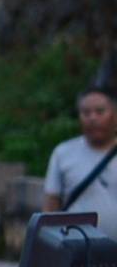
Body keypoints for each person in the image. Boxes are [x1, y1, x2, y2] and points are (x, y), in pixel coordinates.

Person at [47, 86, 117, 222]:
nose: (92, 118)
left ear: (115, 115)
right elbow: (51, 204)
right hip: (74, 235)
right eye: (86, 113)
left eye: (100, 111)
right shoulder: (63, 153)